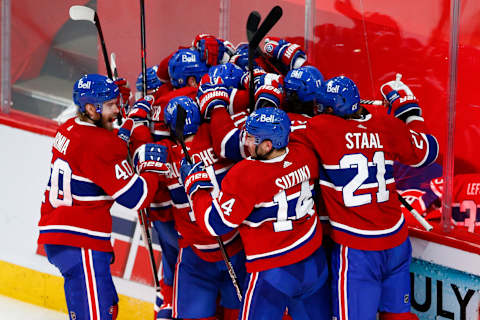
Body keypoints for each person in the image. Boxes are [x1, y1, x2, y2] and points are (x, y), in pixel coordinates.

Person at [301, 75, 439, 320]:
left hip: (358, 249)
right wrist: (408, 109)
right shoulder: (385, 123)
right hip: (397, 240)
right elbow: (428, 151)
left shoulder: (319, 128)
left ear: (331, 108)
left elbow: (274, 139)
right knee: (398, 315)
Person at [37, 74, 169, 320]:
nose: (117, 111)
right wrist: (150, 168)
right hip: (81, 240)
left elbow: (108, 148)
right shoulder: (98, 144)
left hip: (62, 234)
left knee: (107, 306)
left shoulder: (69, 126)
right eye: (110, 105)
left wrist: (130, 124)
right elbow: (137, 198)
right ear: (90, 108)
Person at [180, 107, 331, 319]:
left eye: (251, 138)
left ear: (268, 145)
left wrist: (196, 187)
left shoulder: (244, 174)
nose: (246, 143)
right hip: (314, 261)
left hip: (272, 272)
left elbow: (214, 224)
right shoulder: (304, 153)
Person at [147, 96, 246, 320]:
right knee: (238, 314)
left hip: (195, 253)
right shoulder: (216, 137)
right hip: (235, 246)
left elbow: (155, 201)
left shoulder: (166, 154)